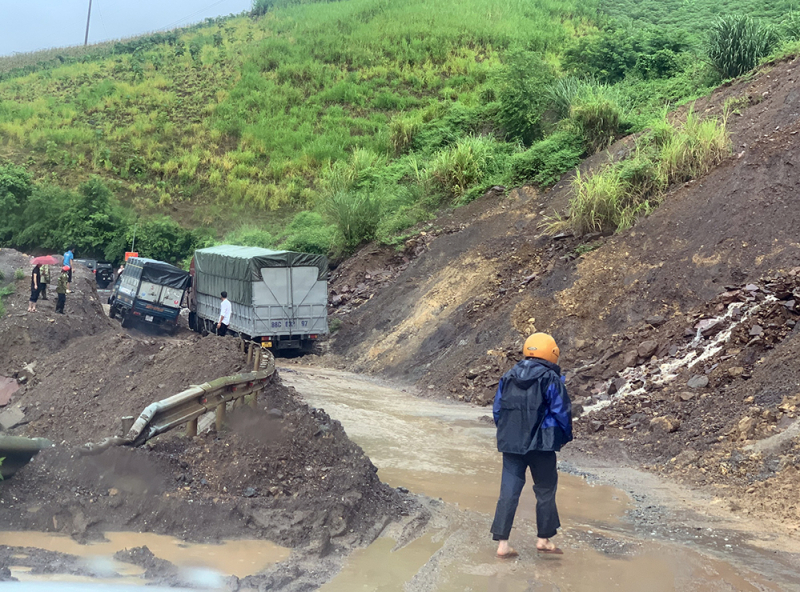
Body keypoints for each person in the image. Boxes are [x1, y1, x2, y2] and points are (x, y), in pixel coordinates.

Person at [490, 333, 573, 558]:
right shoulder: (550, 378)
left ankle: (502, 544)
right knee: (545, 490)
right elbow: (561, 411)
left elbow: (498, 410)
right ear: (551, 353)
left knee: (508, 492)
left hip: (512, 443)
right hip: (542, 444)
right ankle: (543, 540)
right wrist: (564, 436)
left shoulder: (508, 376)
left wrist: (509, 432)